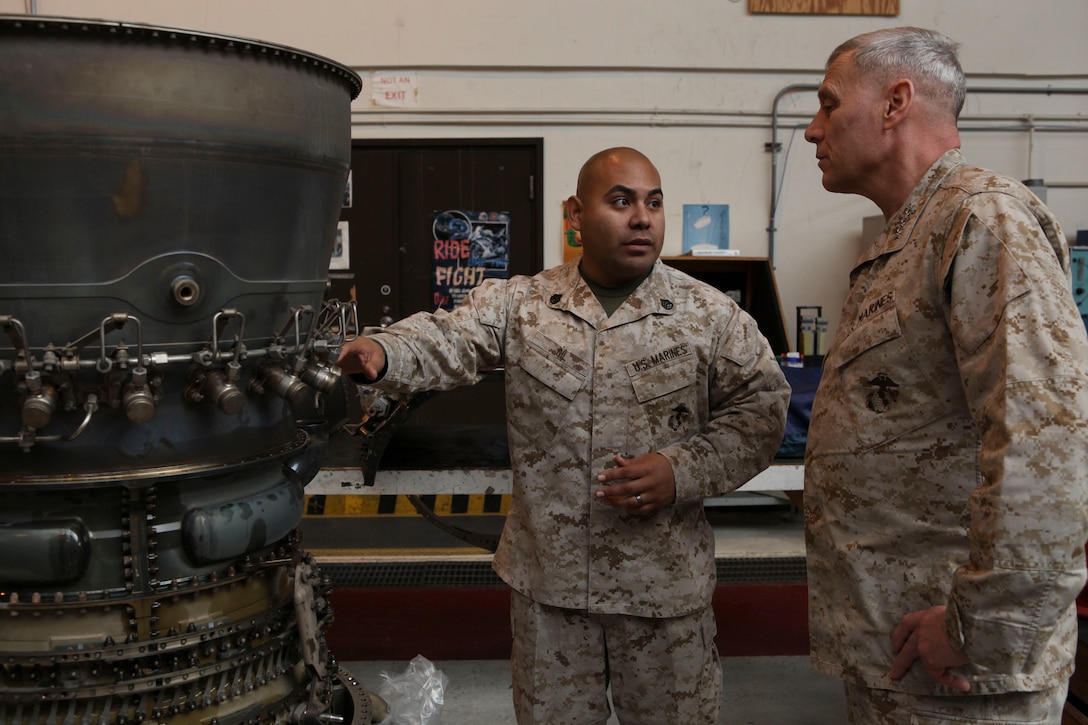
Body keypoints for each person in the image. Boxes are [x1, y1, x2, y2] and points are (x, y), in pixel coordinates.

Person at [337, 147, 790, 723]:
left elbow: (762, 411)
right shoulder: (522, 306)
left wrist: (683, 469)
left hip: (662, 594)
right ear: (576, 214)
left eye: (653, 202)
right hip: (549, 595)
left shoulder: (708, 315)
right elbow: (448, 337)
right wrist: (384, 350)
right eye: (620, 201)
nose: (642, 218)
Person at [802, 26, 1088, 724]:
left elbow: (1045, 441)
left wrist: (980, 626)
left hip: (960, 669)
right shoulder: (910, 235)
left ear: (896, 103)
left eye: (829, 104)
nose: (812, 130)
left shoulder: (982, 220)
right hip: (902, 655)